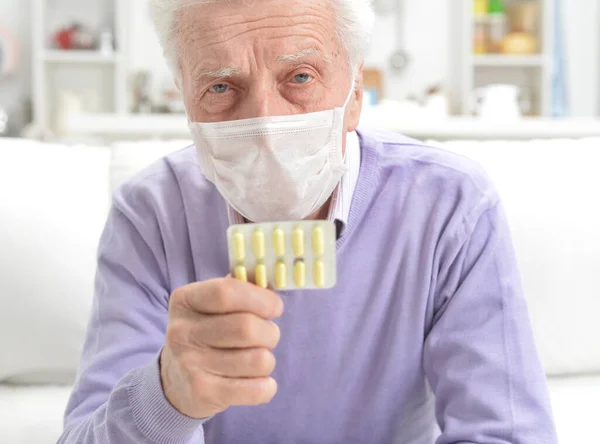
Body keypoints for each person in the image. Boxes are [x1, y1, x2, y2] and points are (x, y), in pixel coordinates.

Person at [58, 0, 558, 443]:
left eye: (299, 77)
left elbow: (508, 433)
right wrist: (164, 397)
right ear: (185, 96)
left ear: (356, 92)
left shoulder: (451, 206)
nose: (265, 124)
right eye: (220, 85)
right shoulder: (149, 216)